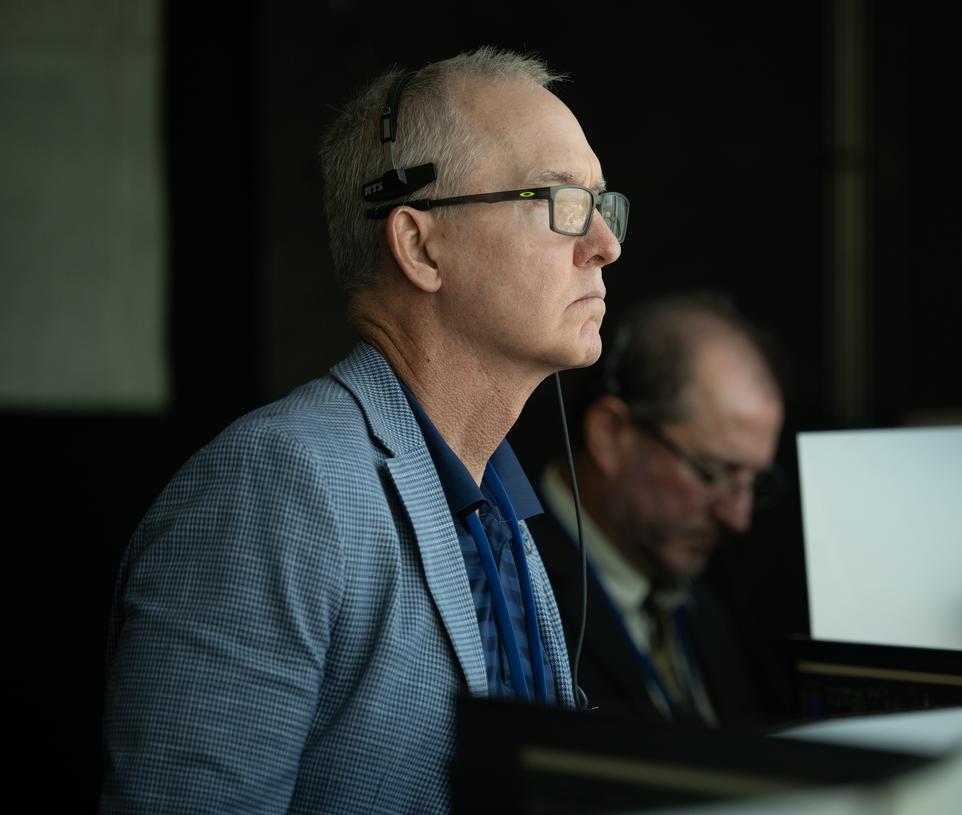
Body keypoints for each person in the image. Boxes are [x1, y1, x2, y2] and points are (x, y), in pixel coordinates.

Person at [99, 48, 627, 813]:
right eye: (561, 200)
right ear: (419, 245)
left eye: (602, 204)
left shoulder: (501, 500)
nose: (604, 244)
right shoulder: (271, 485)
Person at [526, 293, 784, 729]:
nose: (738, 517)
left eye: (753, 483)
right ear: (611, 433)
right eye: (715, 474)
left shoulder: (716, 604)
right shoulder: (506, 589)